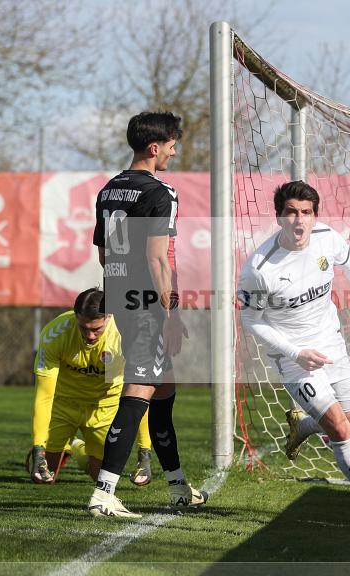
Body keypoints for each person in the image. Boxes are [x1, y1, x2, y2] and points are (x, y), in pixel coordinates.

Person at [237, 180, 350, 535]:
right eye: (291, 212)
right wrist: (295, 352)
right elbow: (251, 320)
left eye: (306, 212)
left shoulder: (327, 238)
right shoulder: (259, 267)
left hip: (332, 345)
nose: (299, 220)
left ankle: (303, 426)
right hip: (294, 359)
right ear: (279, 217)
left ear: (315, 216)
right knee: (343, 432)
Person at [89, 111, 200, 518]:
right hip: (148, 305)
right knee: (138, 389)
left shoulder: (109, 189)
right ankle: (104, 492)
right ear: (154, 148)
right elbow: (157, 259)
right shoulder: (161, 192)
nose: (173, 152)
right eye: (171, 146)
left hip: (121, 298)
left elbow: (104, 256)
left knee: (162, 390)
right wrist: (170, 314)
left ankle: (178, 486)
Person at [28, 287, 153, 487]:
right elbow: (44, 396)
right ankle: (56, 446)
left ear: (109, 317)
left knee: (101, 478)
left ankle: (75, 447)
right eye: (83, 328)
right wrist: (38, 449)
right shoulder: (54, 334)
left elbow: (138, 394)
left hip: (104, 406)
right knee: (42, 477)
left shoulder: (123, 335)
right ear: (75, 316)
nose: (90, 335)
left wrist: (144, 452)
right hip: (63, 404)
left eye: (96, 329)